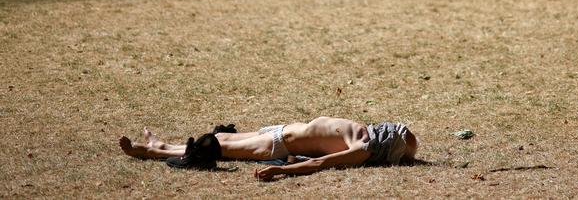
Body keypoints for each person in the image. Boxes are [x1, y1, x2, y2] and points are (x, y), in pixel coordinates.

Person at [119, 116, 418, 181]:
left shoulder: (361, 149)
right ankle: (161, 146)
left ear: (387, 145)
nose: (390, 127)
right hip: (279, 132)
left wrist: (282, 169)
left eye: (396, 133)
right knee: (219, 140)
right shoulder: (367, 132)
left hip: (277, 144)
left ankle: (153, 151)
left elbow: (320, 164)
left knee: (215, 147)